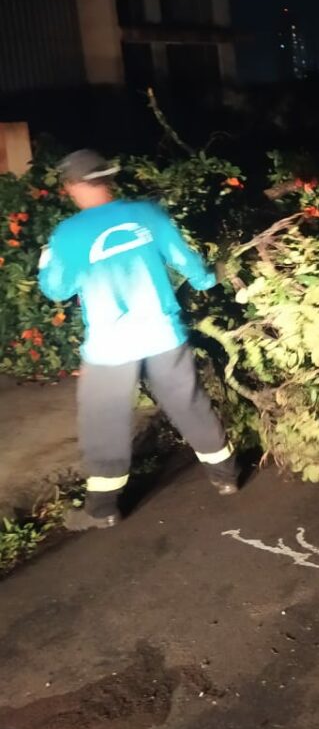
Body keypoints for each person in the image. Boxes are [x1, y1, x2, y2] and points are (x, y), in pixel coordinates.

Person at [38, 150, 238, 531]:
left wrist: (48, 260)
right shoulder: (148, 215)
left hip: (110, 347)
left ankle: (103, 510)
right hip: (163, 334)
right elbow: (189, 263)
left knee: (104, 421)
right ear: (109, 180)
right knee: (189, 404)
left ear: (71, 187)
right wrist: (211, 278)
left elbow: (56, 289)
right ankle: (226, 478)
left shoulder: (68, 234)